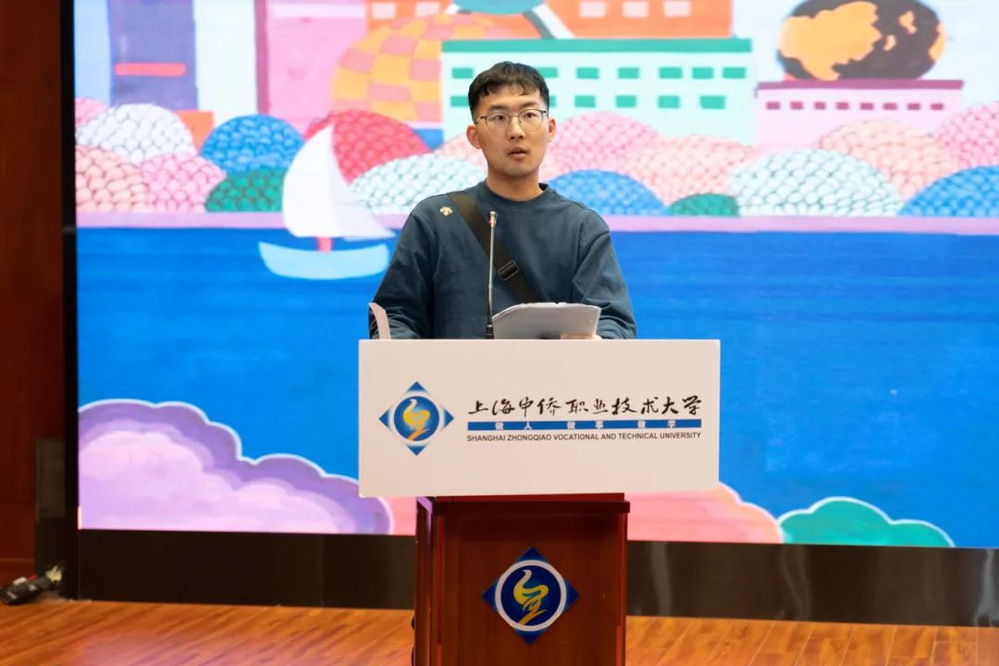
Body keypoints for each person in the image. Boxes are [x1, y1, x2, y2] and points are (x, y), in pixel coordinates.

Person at [369, 61, 636, 340]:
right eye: (498, 118)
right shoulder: (434, 220)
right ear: (474, 136)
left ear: (550, 128)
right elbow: (396, 317)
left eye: (529, 115)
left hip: (549, 371)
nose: (516, 131)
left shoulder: (581, 227)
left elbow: (613, 322)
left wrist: (597, 342)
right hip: (455, 371)